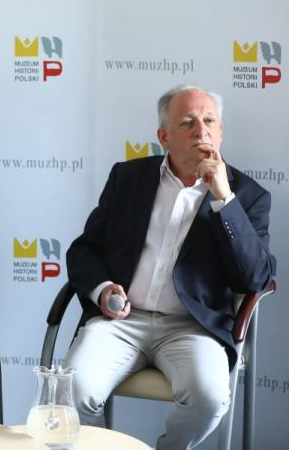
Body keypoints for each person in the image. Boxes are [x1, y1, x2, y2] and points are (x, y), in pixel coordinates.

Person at [63, 84, 274, 449]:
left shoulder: (248, 196)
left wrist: (225, 200)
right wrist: (102, 290)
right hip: (120, 323)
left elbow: (255, 277)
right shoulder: (127, 178)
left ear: (221, 131)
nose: (201, 130)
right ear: (164, 136)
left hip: (193, 328)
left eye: (210, 121)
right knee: (72, 388)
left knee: (209, 398)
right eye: (187, 122)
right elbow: (83, 251)